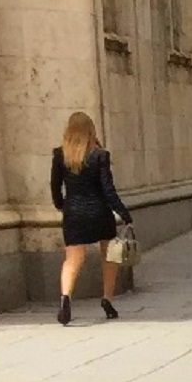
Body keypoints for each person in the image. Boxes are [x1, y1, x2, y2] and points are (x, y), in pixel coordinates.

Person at [49, 111, 131, 325]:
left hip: (74, 213)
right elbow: (108, 189)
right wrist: (123, 213)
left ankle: (65, 298)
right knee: (108, 255)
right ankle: (107, 299)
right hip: (99, 212)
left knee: (73, 259)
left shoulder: (60, 155)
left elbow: (55, 186)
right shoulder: (99, 155)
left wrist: (61, 205)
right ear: (90, 130)